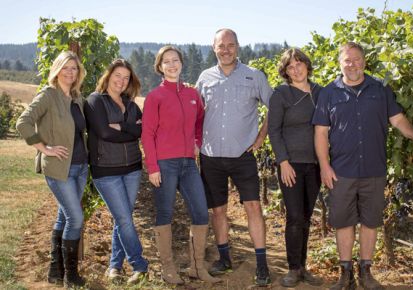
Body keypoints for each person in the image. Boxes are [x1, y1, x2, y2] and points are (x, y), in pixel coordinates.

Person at [312, 42, 413, 290]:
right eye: (347, 60)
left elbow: (398, 120)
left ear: (364, 61)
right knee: (343, 222)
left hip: (374, 169)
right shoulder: (329, 93)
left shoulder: (380, 89)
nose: (352, 65)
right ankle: (345, 274)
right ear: (340, 63)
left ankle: (366, 273)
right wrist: (324, 166)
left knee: (370, 222)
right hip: (340, 171)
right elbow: (320, 133)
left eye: (357, 59)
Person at [196, 28, 273, 286]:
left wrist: (261, 137)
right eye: (221, 45)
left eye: (230, 45)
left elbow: (274, 107)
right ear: (213, 48)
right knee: (218, 211)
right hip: (211, 156)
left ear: (238, 47)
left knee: (253, 207)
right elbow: (194, 112)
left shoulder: (254, 76)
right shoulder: (204, 78)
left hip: (243, 155)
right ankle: (224, 258)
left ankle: (262, 264)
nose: (226, 49)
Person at [141, 45, 221, 285]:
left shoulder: (192, 94)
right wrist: (153, 167)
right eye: (166, 61)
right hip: (164, 164)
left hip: (188, 164)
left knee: (200, 212)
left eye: (175, 60)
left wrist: (197, 141)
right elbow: (147, 134)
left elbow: (199, 122)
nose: (172, 65)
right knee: (164, 213)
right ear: (160, 67)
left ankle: (197, 266)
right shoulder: (155, 96)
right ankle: (168, 268)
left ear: (182, 64)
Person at [16, 51, 87, 288]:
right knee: (75, 218)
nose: (70, 72)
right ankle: (71, 276)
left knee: (63, 216)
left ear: (79, 72)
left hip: (79, 167)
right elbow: (23, 122)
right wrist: (44, 148)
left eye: (74, 68)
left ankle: (55, 271)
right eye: (65, 67)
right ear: (57, 69)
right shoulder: (48, 95)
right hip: (58, 168)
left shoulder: (76, 98)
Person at [83, 59, 148, 285]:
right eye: (117, 75)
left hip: (132, 169)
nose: (121, 81)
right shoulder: (95, 101)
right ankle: (140, 265)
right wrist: (131, 130)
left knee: (124, 219)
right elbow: (104, 133)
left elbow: (142, 131)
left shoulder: (131, 105)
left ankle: (114, 267)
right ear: (108, 76)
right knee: (124, 218)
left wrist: (122, 127)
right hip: (106, 170)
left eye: (126, 77)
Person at [268, 48, 324, 288]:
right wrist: (283, 162)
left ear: (307, 66)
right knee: (294, 217)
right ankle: (293, 268)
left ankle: (303, 267)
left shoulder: (321, 92)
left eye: (299, 64)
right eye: (290, 66)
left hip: (315, 164)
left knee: (307, 217)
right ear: (286, 72)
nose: (296, 69)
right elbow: (274, 130)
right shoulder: (281, 94)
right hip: (291, 164)